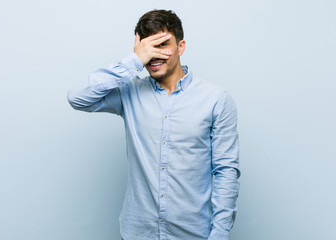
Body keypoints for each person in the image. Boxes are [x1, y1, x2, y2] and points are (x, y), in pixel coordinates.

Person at [67, 9, 240, 240]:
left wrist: (219, 234)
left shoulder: (216, 99)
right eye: (148, 47)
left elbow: (226, 171)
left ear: (181, 47)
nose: (154, 55)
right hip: (138, 234)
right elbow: (78, 97)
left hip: (194, 234)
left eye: (163, 44)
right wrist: (134, 61)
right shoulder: (129, 92)